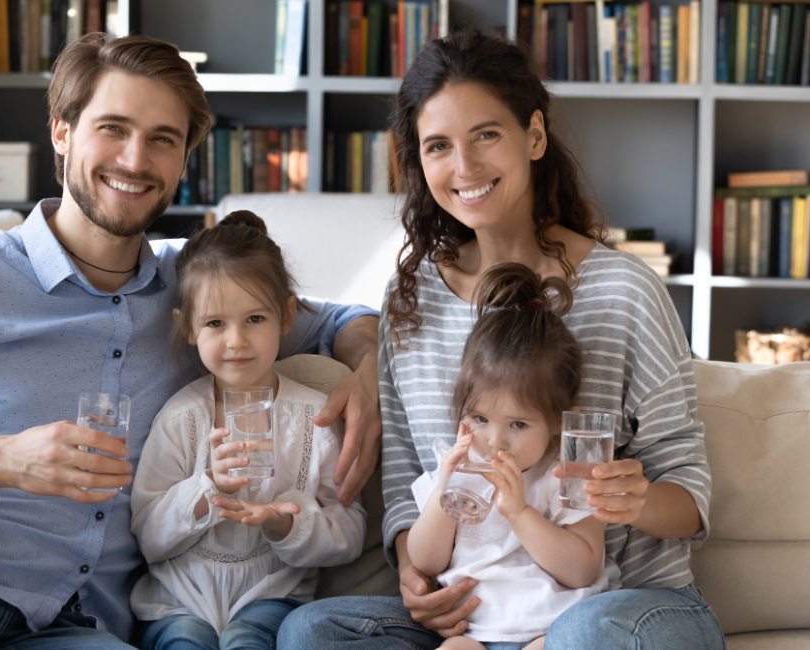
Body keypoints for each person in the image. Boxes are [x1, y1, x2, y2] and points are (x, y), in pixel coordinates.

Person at [0, 34, 382, 650]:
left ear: (182, 162)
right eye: (113, 128)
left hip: (73, 628)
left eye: (163, 140)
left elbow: (343, 319)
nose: (135, 159)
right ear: (62, 133)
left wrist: (366, 372)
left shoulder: (201, 295)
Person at [277, 30, 724, 650]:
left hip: (621, 607)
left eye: (486, 134)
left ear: (534, 136)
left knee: (583, 635)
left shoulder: (624, 291)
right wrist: (414, 577)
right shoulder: (413, 299)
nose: (464, 167)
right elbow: (406, 482)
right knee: (311, 632)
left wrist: (637, 499)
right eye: (438, 146)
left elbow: (690, 494)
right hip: (480, 617)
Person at [130, 211, 367, 650]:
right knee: (186, 640)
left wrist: (286, 525)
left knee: (246, 639)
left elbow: (349, 532)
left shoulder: (315, 419)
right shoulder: (180, 418)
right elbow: (148, 537)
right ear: (187, 327)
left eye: (255, 319)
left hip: (272, 598)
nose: (236, 340)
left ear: (287, 315)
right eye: (215, 323)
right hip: (178, 603)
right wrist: (207, 486)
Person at [406, 263, 616, 650]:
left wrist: (519, 512)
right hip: (472, 631)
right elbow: (425, 562)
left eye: (518, 424)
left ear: (558, 422)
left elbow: (582, 570)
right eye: (480, 419)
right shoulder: (456, 466)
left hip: (552, 627)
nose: (495, 441)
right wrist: (442, 493)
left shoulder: (567, 472)